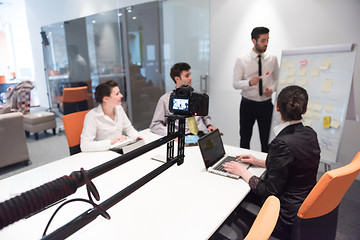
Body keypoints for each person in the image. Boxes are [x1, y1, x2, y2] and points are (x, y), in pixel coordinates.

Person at [223, 85, 321, 239]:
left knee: (236, 199)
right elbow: (295, 166)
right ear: (305, 109)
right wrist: (259, 161)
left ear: (277, 107)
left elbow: (269, 191)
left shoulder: (281, 143)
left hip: (285, 216)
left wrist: (242, 171)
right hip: (305, 205)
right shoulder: (310, 134)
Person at [233, 26, 279, 153]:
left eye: (268, 40)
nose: (266, 44)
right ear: (254, 41)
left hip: (266, 105)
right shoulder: (242, 60)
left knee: (267, 141)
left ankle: (267, 169)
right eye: (263, 40)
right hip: (248, 105)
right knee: (245, 139)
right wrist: (249, 82)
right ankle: (243, 169)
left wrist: (273, 89)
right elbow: (235, 84)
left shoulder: (272, 59)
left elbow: (277, 79)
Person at [149, 62, 217, 136]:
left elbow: (204, 114)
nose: (190, 78)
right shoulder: (165, 99)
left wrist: (209, 125)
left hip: (200, 135)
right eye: (187, 76)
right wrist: (172, 135)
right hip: (181, 137)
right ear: (177, 79)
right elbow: (155, 125)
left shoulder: (197, 96)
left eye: (190, 75)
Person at [80, 80, 142, 152]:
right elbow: (85, 145)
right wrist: (110, 142)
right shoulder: (92, 116)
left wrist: (137, 137)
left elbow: (129, 129)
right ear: (106, 99)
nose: (121, 96)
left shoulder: (119, 109)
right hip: (103, 153)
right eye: (117, 94)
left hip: (120, 150)